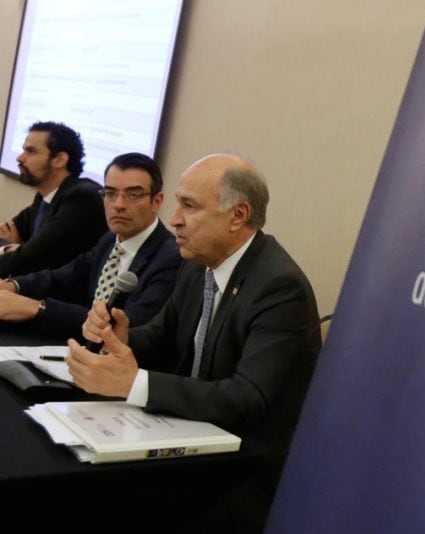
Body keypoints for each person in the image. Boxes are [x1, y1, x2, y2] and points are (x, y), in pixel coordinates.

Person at [70, 153, 321, 531]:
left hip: (244, 469)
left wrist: (132, 383)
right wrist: (123, 338)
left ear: (237, 215)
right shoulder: (197, 262)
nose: (174, 219)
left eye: (190, 206)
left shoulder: (279, 288)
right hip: (192, 435)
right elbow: (164, 335)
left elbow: (247, 399)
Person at [0, 153, 181, 339]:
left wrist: (38, 307)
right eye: (110, 193)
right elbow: (65, 278)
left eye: (133, 195)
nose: (118, 205)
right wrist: (12, 286)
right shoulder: (110, 239)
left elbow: (130, 325)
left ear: (157, 201)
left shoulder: (171, 258)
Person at [0, 121, 107, 278]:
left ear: (60, 160)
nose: (20, 158)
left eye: (31, 152)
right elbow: (6, 231)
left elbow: (27, 261)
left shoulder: (81, 199)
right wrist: (13, 248)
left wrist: (15, 248)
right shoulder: (45, 194)